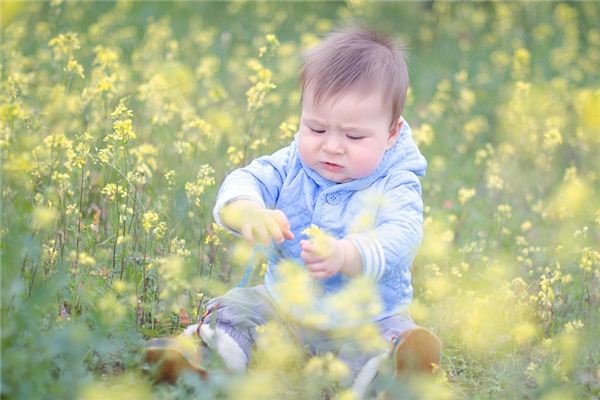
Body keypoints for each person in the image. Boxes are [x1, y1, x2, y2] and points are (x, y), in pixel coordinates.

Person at [145, 25, 441, 397]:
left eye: (353, 137)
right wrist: (248, 211)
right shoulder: (292, 163)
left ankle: (391, 374)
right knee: (236, 309)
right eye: (316, 129)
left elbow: (403, 234)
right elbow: (246, 179)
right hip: (283, 305)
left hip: (367, 318)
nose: (332, 147)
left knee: (384, 340)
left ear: (392, 133)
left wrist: (348, 254)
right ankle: (206, 361)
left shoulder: (397, 181)